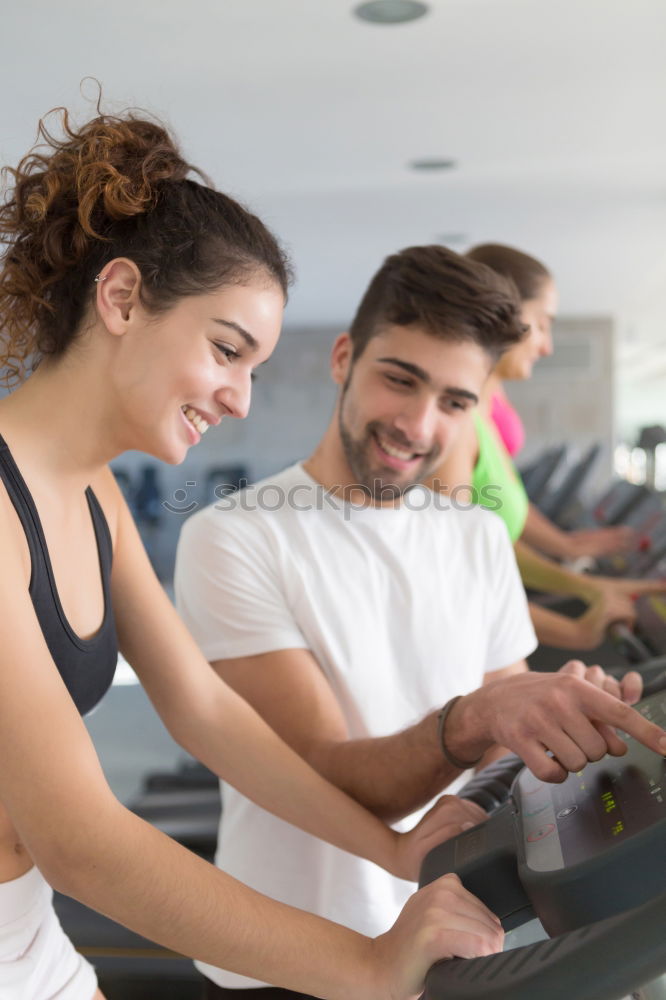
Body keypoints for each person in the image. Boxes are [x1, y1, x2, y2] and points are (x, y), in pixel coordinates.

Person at [0, 107, 508, 1000]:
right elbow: (78, 838)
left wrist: (386, 846)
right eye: (226, 351)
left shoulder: (93, 496)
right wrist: (363, 964)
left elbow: (208, 713)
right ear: (120, 299)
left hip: (29, 935)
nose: (238, 400)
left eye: (255, 370)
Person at [174, 244, 665, 1000]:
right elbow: (323, 769)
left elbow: (506, 724)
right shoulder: (236, 536)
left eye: (455, 401)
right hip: (292, 960)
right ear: (345, 357)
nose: (417, 422)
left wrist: (561, 716)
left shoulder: (473, 536)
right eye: (399, 380)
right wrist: (476, 718)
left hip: (449, 940)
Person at [428, 243, 666, 651]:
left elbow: (496, 537)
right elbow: (454, 577)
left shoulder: (480, 413)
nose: (547, 345)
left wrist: (589, 582)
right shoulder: (459, 424)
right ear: (503, 312)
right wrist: (574, 630)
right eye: (542, 323)